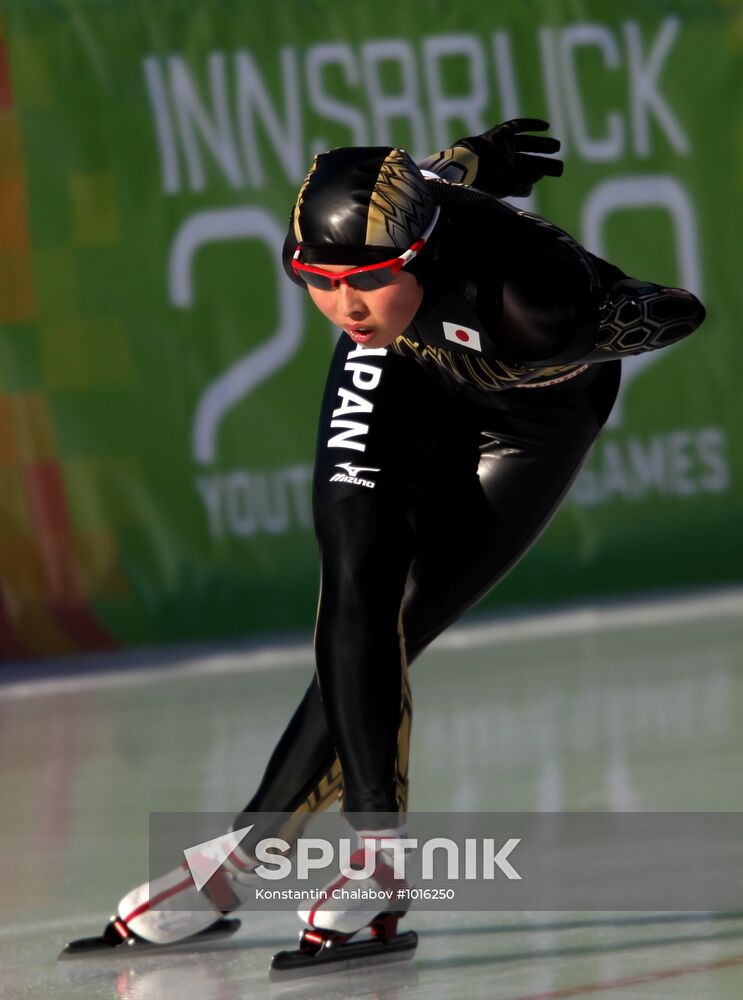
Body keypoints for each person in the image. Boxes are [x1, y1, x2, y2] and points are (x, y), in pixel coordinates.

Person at [65, 121, 705, 964]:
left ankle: (262, 865)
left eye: (366, 279)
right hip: (401, 372)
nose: (343, 305)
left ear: (421, 254)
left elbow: (681, 311)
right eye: (315, 281)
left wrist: (620, 323)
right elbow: (441, 175)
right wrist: (479, 155)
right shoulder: (376, 302)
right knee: (354, 578)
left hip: (530, 426)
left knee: (401, 616)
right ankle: (330, 861)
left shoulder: (535, 301)